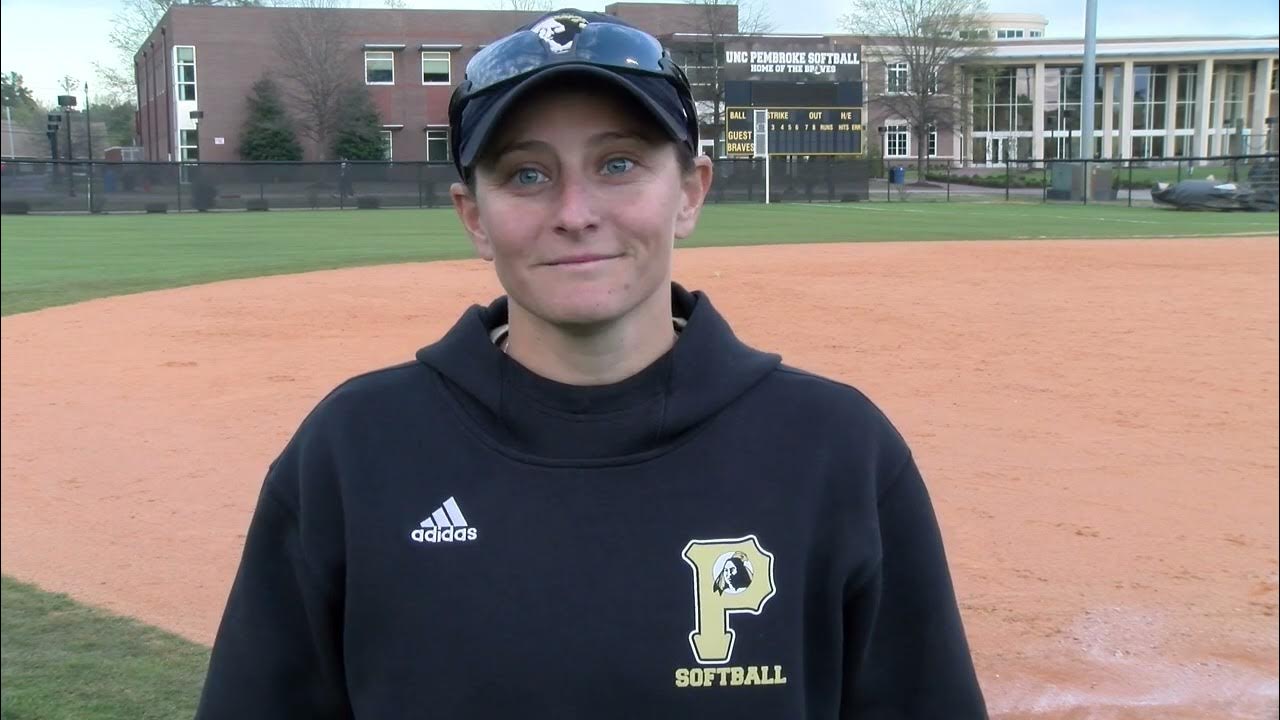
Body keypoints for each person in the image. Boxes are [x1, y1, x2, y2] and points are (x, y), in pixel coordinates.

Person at [194, 9, 987, 719]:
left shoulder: (836, 449)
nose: (575, 214)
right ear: (474, 216)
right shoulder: (355, 449)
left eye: (618, 164)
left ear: (691, 191)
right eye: (526, 175)